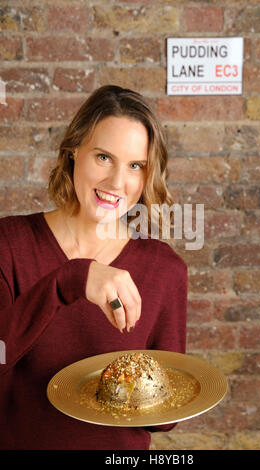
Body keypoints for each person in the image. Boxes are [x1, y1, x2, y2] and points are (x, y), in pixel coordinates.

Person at [0, 85, 187, 450]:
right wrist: (67, 281)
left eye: (135, 166)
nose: (117, 183)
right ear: (73, 152)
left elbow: (169, 416)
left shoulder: (165, 269)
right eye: (103, 157)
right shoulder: (9, 244)